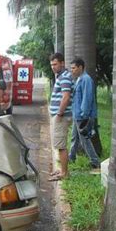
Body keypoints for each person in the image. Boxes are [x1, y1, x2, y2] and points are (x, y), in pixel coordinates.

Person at [69, 57, 100, 170]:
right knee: (74, 138)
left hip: (83, 116)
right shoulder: (79, 79)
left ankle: (95, 162)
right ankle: (71, 157)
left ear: (80, 67)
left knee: (84, 140)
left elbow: (87, 98)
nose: (72, 70)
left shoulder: (86, 79)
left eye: (74, 68)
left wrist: (84, 115)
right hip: (77, 115)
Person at [48, 53, 73, 181]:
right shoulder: (62, 76)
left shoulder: (64, 77)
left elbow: (66, 97)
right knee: (59, 144)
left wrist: (59, 114)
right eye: (51, 64)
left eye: (55, 64)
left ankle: (64, 173)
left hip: (61, 117)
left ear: (62, 63)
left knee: (61, 146)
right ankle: (62, 169)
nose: (53, 67)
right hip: (60, 116)